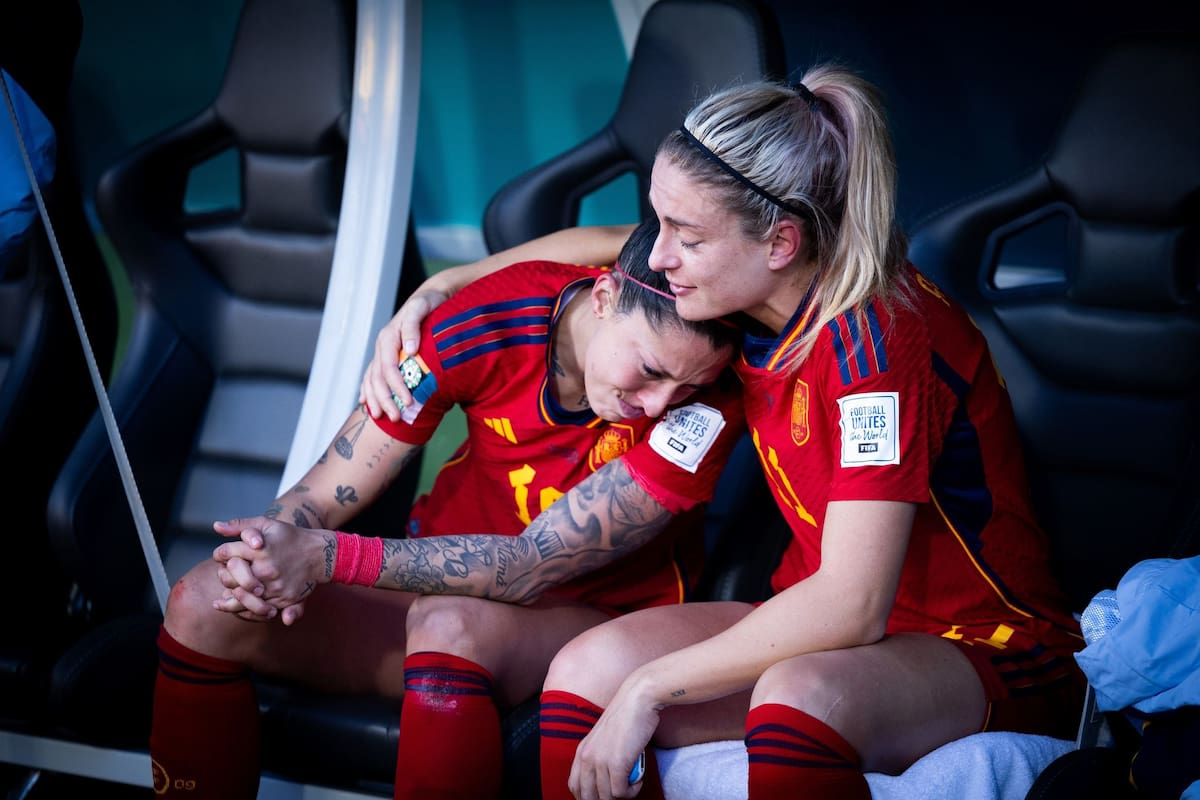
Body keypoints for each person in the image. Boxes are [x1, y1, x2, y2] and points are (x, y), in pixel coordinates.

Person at [362, 65, 1085, 800]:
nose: (662, 254)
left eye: (687, 235)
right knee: (583, 675)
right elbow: (618, 242)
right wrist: (445, 284)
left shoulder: (876, 342)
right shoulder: (731, 303)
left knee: (798, 702)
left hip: (977, 641)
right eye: (662, 221)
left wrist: (651, 687)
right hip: (813, 613)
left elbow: (852, 605)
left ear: (780, 243)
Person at [151, 218, 745, 800]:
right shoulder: (491, 316)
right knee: (204, 601)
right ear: (604, 296)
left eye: (685, 388)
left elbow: (526, 565)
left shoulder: (707, 407)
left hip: (589, 618)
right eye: (649, 371)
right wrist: (266, 553)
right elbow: (324, 491)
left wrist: (321, 557)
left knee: (450, 626)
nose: (657, 404)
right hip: (431, 593)